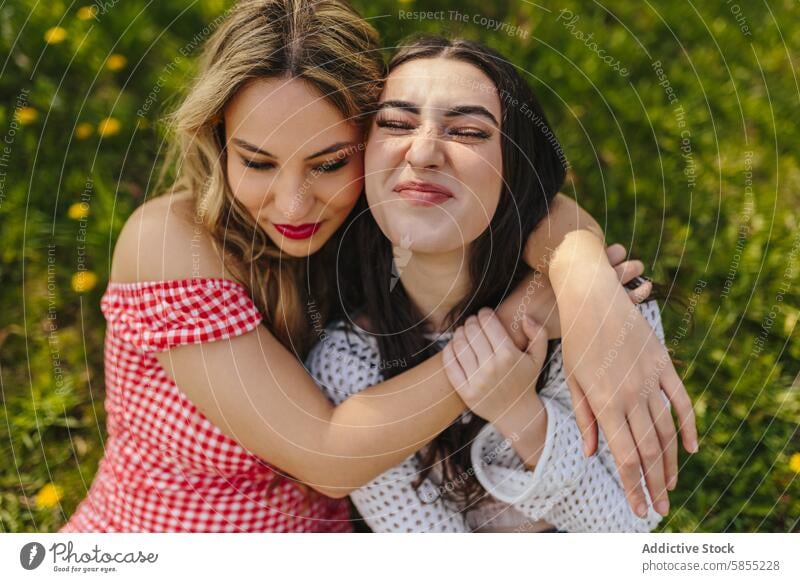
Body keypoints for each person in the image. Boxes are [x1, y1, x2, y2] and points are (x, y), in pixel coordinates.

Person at [60, 0, 693, 533]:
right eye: (256, 162)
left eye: (330, 162)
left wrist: (584, 277)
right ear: (217, 142)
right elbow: (328, 455)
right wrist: (520, 320)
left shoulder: (379, 206)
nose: (293, 204)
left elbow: (523, 198)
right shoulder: (168, 241)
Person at [306, 36, 667, 531]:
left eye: (469, 131)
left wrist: (520, 414)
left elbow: (629, 532)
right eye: (395, 123)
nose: (425, 151)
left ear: (513, 167)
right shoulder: (348, 363)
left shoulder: (601, 314)